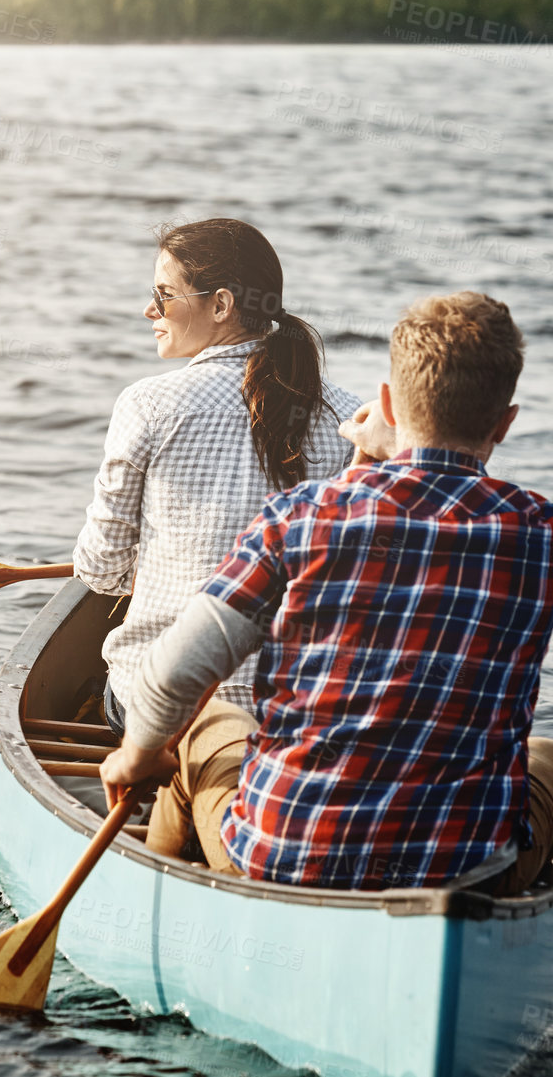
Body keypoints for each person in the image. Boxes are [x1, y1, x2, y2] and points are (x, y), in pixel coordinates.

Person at [98, 292, 553, 894]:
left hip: (287, 855)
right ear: (505, 422)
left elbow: (173, 673)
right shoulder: (548, 535)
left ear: (386, 402)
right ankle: (496, 925)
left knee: (201, 720)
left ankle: (158, 893)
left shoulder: (302, 517)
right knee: (551, 759)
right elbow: (419, 563)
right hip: (461, 873)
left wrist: (138, 756)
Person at [73, 219, 360, 734]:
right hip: (287, 712)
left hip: (160, 707)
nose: (149, 311)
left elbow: (100, 571)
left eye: (163, 296)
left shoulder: (148, 404)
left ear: (221, 305)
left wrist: (146, 566)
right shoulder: (350, 419)